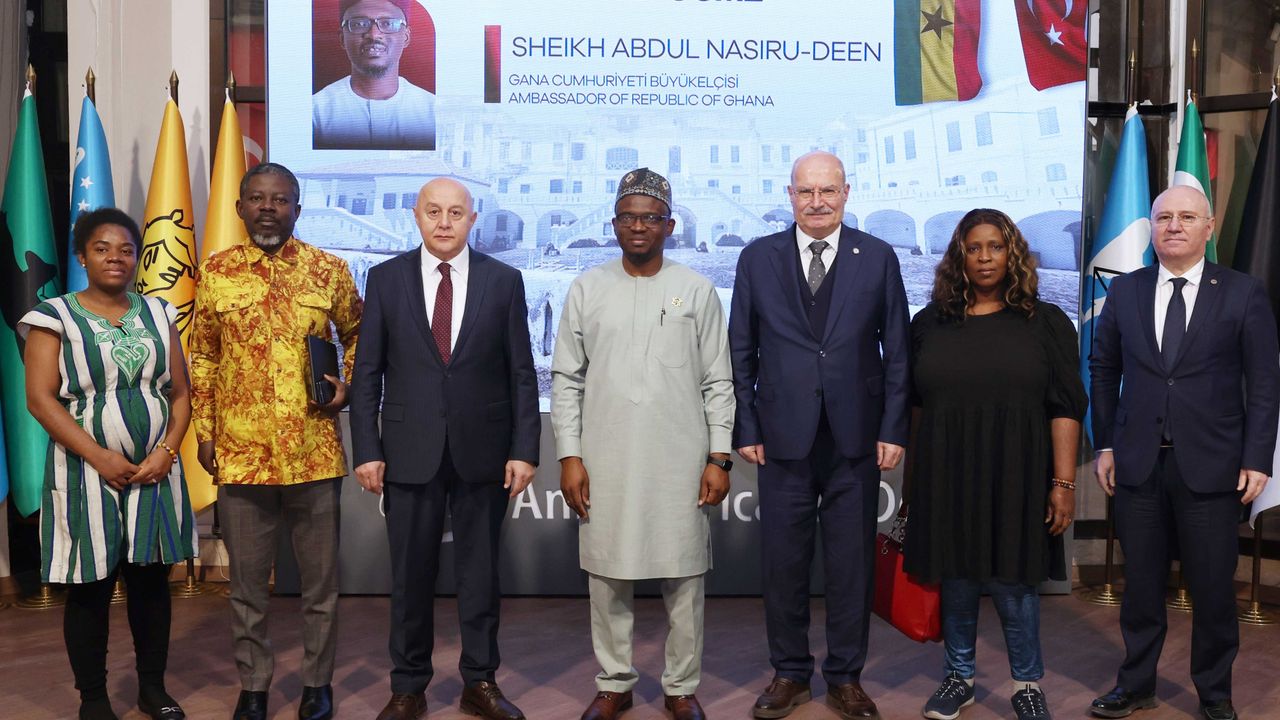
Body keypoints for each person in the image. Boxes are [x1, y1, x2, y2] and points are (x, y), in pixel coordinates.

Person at [728, 150, 910, 720]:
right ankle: (789, 673)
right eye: (806, 191)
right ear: (790, 196)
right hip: (781, 437)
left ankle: (846, 677)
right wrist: (747, 424)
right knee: (783, 564)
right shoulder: (757, 258)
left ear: (846, 193)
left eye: (828, 190)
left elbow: (898, 350)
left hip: (857, 438)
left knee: (851, 565)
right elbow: (740, 350)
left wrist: (893, 426)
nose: (817, 202)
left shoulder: (877, 257)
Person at [349, 177, 539, 720]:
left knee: (480, 576)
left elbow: (521, 373)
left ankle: (480, 681)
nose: (444, 222)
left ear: (472, 220)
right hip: (408, 450)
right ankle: (408, 687)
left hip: (484, 450)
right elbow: (367, 373)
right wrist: (367, 448)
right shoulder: (386, 279)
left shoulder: (504, 280)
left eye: (456, 213)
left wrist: (525, 448)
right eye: (433, 211)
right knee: (411, 578)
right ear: (416, 216)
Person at [1088, 185, 1280, 720]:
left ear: (1209, 227)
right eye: (1164, 217)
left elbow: (1265, 382)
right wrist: (1106, 443)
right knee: (1141, 587)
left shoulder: (1242, 292)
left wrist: (1258, 457)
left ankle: (1215, 694)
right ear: (1151, 227)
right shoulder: (1125, 290)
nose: (1174, 226)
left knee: (1214, 590)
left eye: (1187, 217)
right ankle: (1136, 685)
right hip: (1138, 464)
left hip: (1214, 467)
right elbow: (1103, 369)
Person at [550, 168, 735, 720]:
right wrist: (569, 454)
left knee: (684, 576)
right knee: (607, 575)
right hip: (604, 456)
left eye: (650, 218)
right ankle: (614, 683)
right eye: (628, 217)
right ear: (613, 224)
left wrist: (719, 456)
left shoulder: (696, 289)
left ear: (669, 225)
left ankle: (681, 686)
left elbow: (718, 380)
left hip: (681, 458)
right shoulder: (587, 288)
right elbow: (567, 378)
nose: (638, 227)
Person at [189, 163, 362, 720]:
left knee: (320, 587)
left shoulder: (329, 270)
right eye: (258, 199)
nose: (269, 208)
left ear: (297, 209)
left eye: (281, 200)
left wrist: (348, 386)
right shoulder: (215, 272)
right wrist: (206, 431)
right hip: (242, 457)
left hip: (314, 454)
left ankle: (317, 685)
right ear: (240, 207)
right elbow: (203, 355)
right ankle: (254, 687)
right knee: (246, 588)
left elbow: (359, 334)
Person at [903, 209, 1086, 720]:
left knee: (1014, 582)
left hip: (1018, 472)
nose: (985, 258)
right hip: (945, 470)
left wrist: (1063, 482)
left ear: (1013, 254)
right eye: (974, 248)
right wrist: (913, 484)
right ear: (959, 256)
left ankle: (1027, 684)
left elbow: (1066, 407)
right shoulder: (929, 323)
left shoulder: (1046, 322)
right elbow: (915, 408)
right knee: (956, 577)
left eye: (996, 247)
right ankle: (958, 677)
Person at [20, 208, 197, 720]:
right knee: (90, 588)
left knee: (151, 583)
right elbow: (40, 399)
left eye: (125, 249)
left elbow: (181, 393)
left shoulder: (160, 313)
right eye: (101, 248)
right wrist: (99, 456)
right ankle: (94, 700)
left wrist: (166, 452)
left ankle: (152, 690)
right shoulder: (53, 316)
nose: (115, 257)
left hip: (155, 473)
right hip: (84, 472)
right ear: (82, 256)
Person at [313, 0, 436, 150]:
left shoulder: (434, 111)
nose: (374, 34)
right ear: (342, 38)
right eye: (359, 24)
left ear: (406, 37)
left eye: (388, 23)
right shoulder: (316, 113)